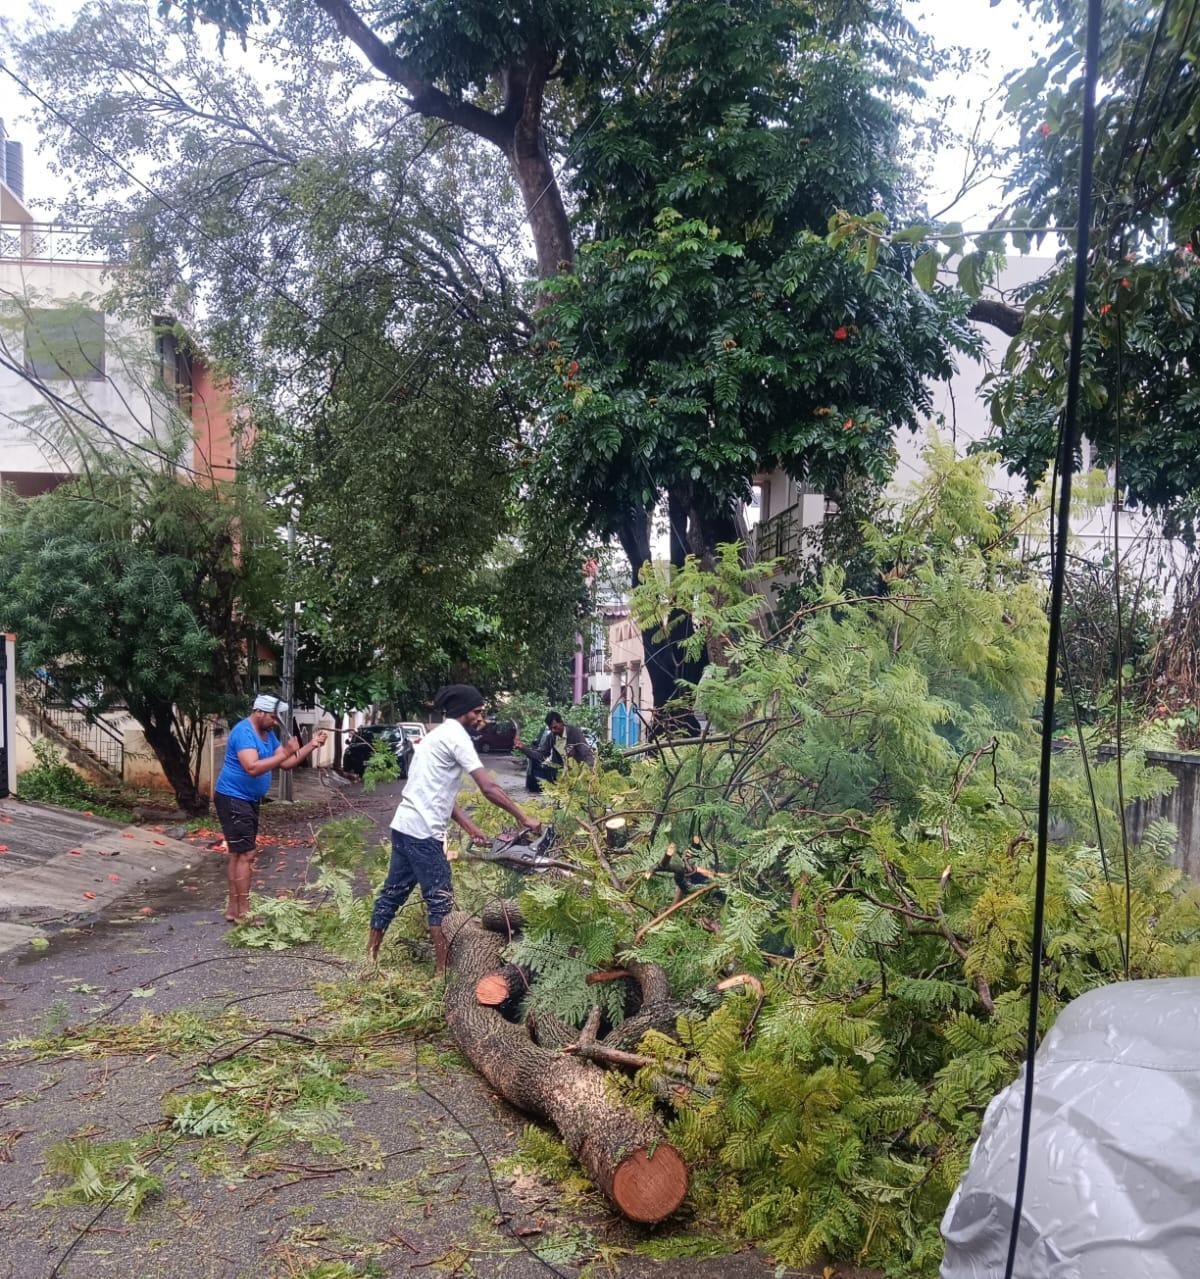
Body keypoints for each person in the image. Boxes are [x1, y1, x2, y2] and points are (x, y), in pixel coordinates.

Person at [367, 684, 541, 973]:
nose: (481, 717)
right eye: (477, 712)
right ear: (463, 711)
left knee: (392, 894)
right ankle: (442, 975)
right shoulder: (457, 738)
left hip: (404, 825)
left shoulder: (436, 737)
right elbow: (489, 787)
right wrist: (524, 818)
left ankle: (369, 960)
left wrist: (471, 828)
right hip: (423, 833)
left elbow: (439, 794)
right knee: (441, 902)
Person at [214, 693, 328, 922]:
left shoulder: (267, 734)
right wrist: (285, 752)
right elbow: (253, 767)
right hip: (233, 797)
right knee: (246, 853)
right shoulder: (244, 732)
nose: (276, 722)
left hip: (247, 799)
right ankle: (243, 912)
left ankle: (234, 909)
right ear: (259, 712)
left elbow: (285, 763)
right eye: (274, 718)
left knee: (238, 853)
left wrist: (311, 745)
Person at [516, 710, 596, 793]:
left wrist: (589, 773)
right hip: (561, 778)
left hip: (578, 776)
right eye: (551, 729)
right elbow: (541, 754)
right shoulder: (551, 737)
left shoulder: (574, 733)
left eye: (555, 727)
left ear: (561, 722)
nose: (553, 731)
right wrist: (523, 748)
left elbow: (586, 753)